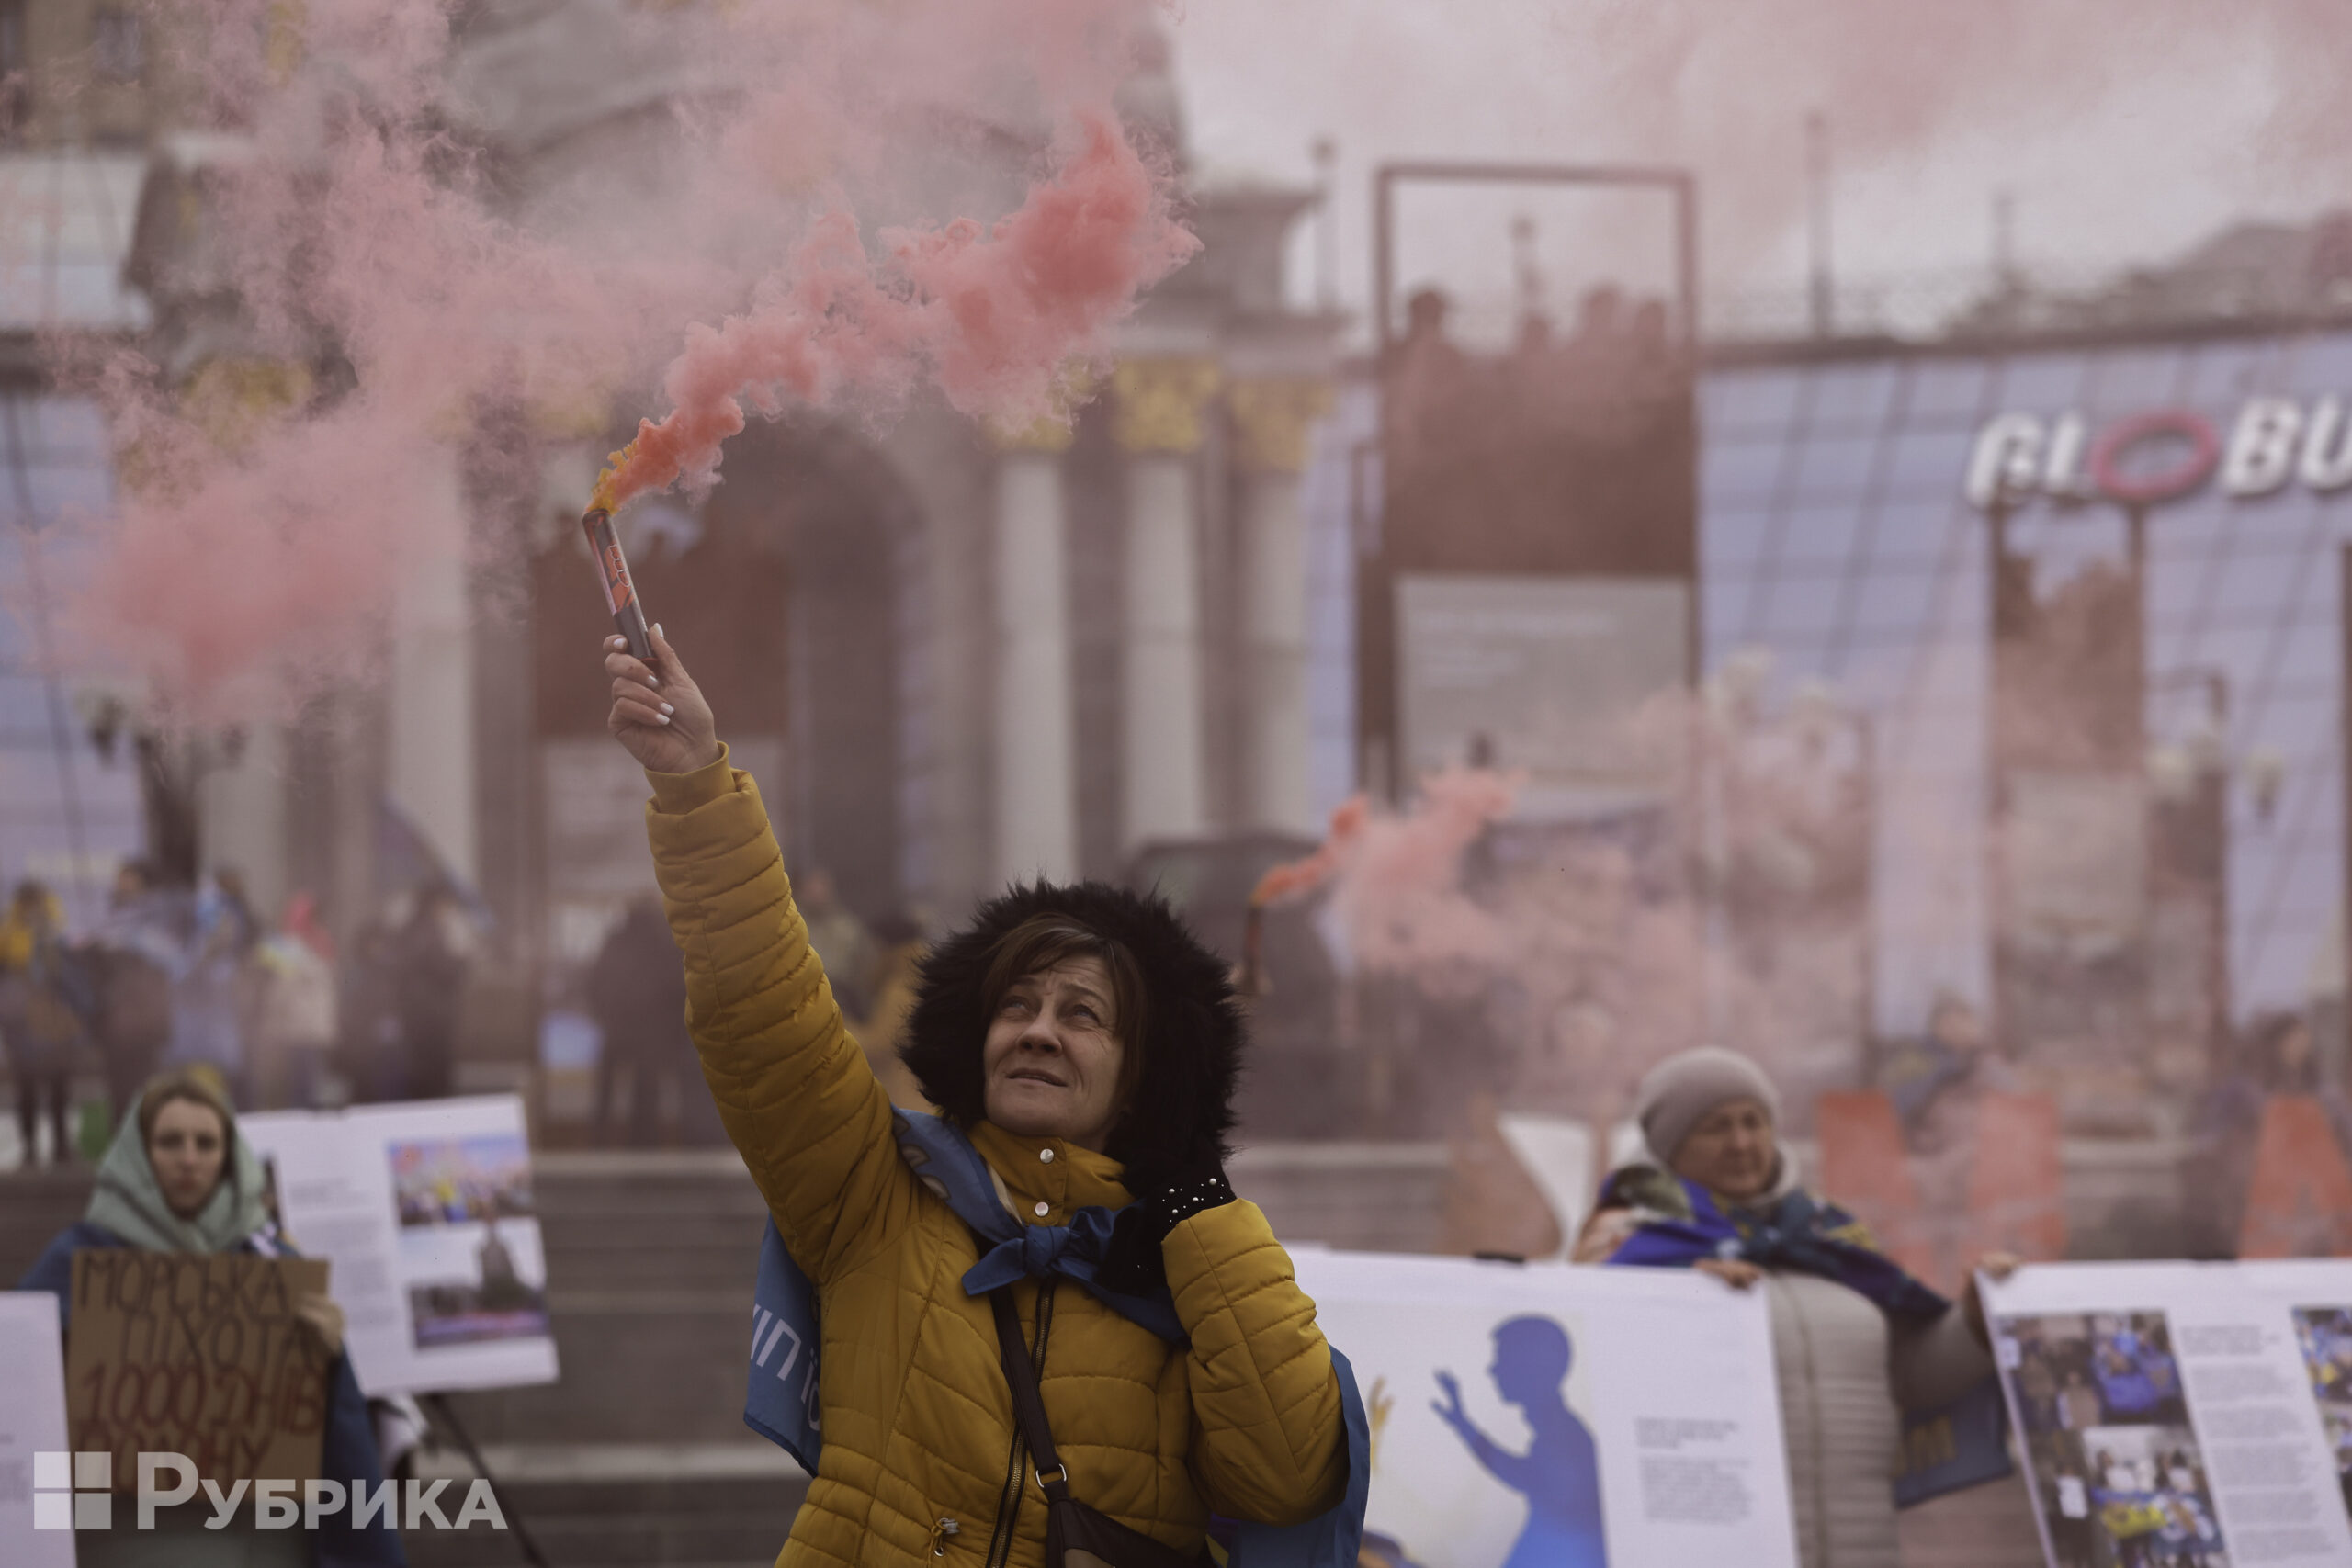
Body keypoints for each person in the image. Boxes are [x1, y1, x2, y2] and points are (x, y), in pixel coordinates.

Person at [598, 626, 1362, 1563]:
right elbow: (762, 1004)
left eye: (1083, 1015)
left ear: (1145, 1071)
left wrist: (1197, 1201)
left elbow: (1286, 1476)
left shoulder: (1187, 1257)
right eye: (1018, 1004)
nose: (1039, 1028)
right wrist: (696, 781)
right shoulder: (875, 1193)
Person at [1575, 1044, 2013, 1568]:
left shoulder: (1830, 1236)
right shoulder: (1626, 1243)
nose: (1741, 1143)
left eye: (1753, 1122)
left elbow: (1912, 1377)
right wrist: (1678, 1305)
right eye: (1715, 1127)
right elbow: (1589, 1377)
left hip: (1860, 1547)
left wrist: (1974, 1322)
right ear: (1670, 1148)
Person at [17, 1069, 404, 1566]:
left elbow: (339, 1435)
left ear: (229, 1158)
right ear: (137, 1154)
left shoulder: (274, 1267)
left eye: (206, 1143)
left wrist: (327, 1354)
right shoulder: (77, 1262)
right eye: (169, 1141)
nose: (189, 1159)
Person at [1431, 1316, 1605, 1568]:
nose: (1492, 1370)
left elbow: (1523, 1476)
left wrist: (1462, 1424)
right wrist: (1462, 1423)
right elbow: (1526, 1476)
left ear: (1531, 1368)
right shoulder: (1558, 1435)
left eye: (1502, 1359)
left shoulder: (1565, 1442)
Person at [586, 895, 693, 1145]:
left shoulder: (616, 941)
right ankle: (642, 1149)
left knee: (607, 1096)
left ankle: (598, 1145)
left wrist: (606, 1016)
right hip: (649, 1037)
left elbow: (594, 984)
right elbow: (681, 989)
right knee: (645, 1099)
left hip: (619, 1031)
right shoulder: (665, 942)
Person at [1, 880, 82, 1165]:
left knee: (60, 1083)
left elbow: (70, 977)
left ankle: (62, 1146)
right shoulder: (8, 935)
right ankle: (29, 1147)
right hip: (21, 1023)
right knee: (27, 1086)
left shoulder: (57, 934)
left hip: (55, 1020)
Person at [243, 892, 340, 1111]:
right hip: (305, 1025)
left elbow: (274, 984)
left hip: (299, 1025)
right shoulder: (306, 942)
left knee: (303, 1082)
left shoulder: (296, 944)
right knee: (304, 1080)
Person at [391, 884, 470, 1100]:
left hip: (414, 1011)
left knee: (419, 1071)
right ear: (436, 905)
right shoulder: (433, 931)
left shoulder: (408, 929)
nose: (449, 911)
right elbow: (445, 970)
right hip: (432, 1012)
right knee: (434, 1074)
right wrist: (462, 958)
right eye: (447, 905)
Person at [798, 867, 878, 1018]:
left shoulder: (849, 928)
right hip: (804, 997)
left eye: (820, 889)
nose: (816, 895)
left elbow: (865, 969)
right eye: (811, 890)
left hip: (843, 999)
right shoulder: (795, 927)